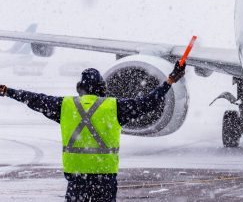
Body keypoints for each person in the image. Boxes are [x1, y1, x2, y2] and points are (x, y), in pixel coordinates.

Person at [0, 60, 186, 202]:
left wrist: (8, 91)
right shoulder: (114, 107)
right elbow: (148, 102)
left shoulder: (65, 106)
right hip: (104, 180)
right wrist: (169, 81)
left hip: (76, 181)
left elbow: (34, 99)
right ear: (101, 88)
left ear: (80, 89)